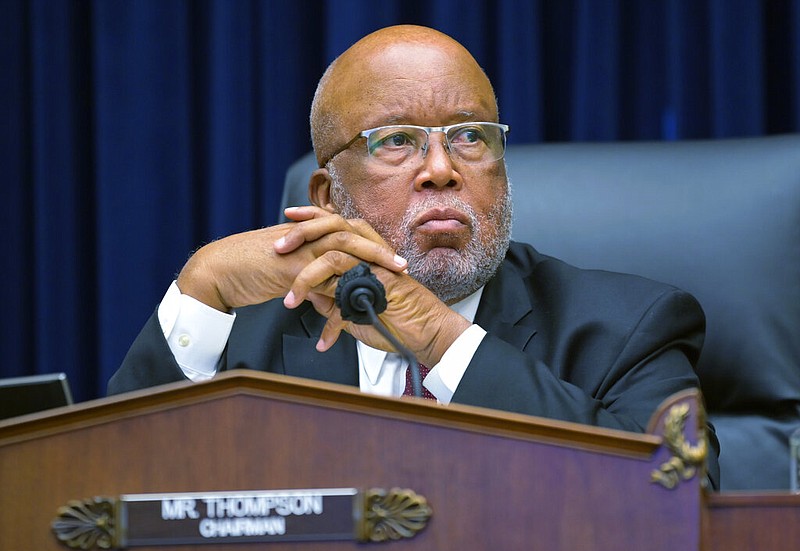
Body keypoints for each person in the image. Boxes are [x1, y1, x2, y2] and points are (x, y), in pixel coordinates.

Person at [108, 25, 719, 486]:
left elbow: (675, 502)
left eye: (469, 137)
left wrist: (436, 338)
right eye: (396, 141)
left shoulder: (627, 328)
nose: (440, 170)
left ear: (502, 172)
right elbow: (101, 495)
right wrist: (201, 282)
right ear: (326, 196)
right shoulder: (251, 337)